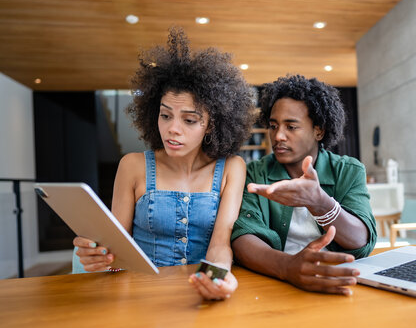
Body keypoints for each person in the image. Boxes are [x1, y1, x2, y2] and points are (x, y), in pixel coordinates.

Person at [73, 27, 254, 300]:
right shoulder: (132, 166)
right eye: (166, 116)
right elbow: (118, 250)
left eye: (189, 120)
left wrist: (216, 280)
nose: (173, 129)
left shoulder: (232, 167)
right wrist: (98, 255)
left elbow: (220, 245)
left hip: (196, 294)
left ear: (211, 125)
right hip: (139, 296)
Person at [231, 74, 377, 295]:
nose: (278, 135)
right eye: (273, 125)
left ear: (319, 130)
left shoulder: (348, 170)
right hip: (276, 284)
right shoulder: (255, 173)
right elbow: (243, 239)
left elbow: (361, 240)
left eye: (291, 126)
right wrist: (287, 267)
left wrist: (320, 203)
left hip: (340, 280)